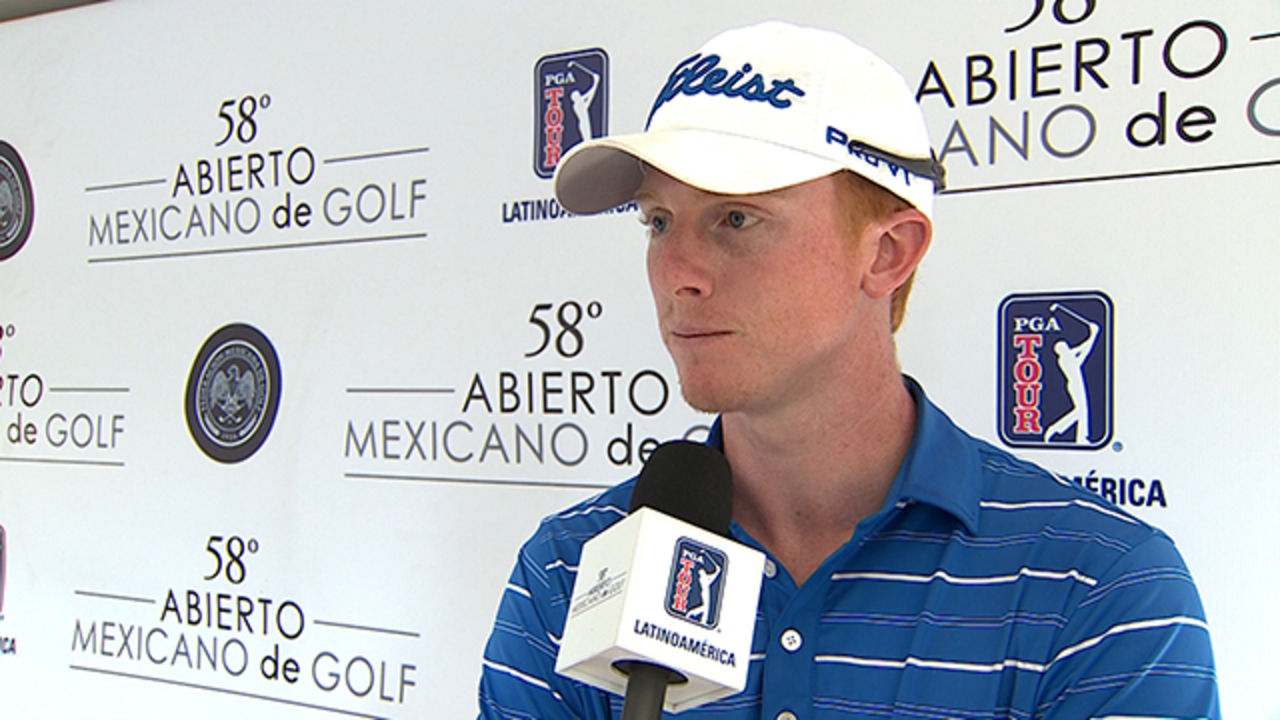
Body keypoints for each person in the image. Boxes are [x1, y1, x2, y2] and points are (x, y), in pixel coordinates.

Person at [479, 21, 1218, 719]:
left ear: (888, 253)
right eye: (658, 221)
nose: (677, 272)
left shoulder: (1099, 588)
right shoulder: (572, 570)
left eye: (736, 218)